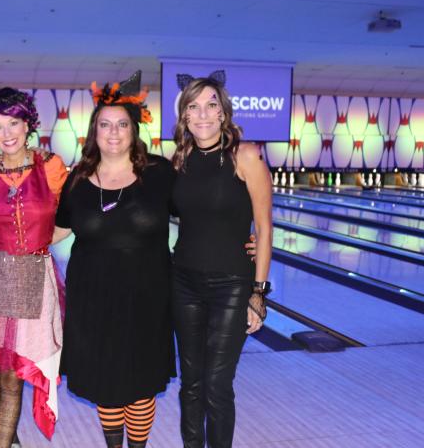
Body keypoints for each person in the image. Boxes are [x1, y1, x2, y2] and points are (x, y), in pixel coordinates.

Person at [52, 71, 175, 448]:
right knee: (107, 383)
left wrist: (241, 238)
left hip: (147, 296)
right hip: (93, 298)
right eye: (105, 124)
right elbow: (55, 232)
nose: (114, 132)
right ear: (94, 131)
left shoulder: (159, 173)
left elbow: (198, 214)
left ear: (134, 129)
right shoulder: (77, 180)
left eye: (122, 124)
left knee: (140, 384)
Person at [0, 71, 68, 448]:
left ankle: (6, 435)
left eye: (14, 123)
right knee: (4, 374)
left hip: (35, 277)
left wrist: (40, 245)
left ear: (28, 124)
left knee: (16, 374)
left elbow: (71, 218)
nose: (7, 133)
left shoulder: (51, 168)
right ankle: (6, 439)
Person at [170, 71, 273, 448]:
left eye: (211, 104)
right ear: (184, 116)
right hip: (183, 282)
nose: (202, 114)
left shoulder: (245, 157)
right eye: (193, 107)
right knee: (191, 384)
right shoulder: (177, 159)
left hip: (231, 285)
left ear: (223, 112)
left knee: (217, 383)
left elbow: (263, 227)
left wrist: (258, 294)